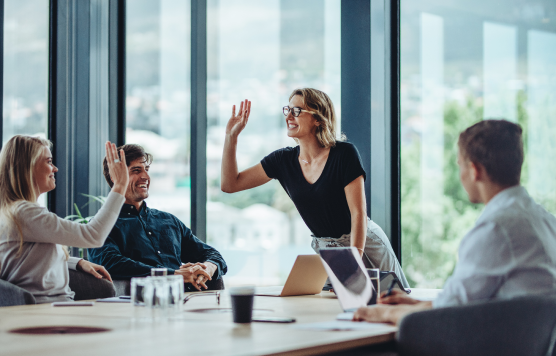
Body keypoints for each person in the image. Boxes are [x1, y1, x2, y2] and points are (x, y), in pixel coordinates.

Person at [354, 119, 556, 325]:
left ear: (474, 170)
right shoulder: (545, 220)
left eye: (460, 165)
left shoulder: (496, 228)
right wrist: (414, 304)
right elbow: (461, 302)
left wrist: (382, 314)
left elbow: (447, 314)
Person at [221, 88, 409, 287]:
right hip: (328, 250)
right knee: (334, 309)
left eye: (297, 111)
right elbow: (230, 184)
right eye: (288, 110)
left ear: (318, 119)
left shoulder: (344, 154)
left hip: (364, 244)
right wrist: (231, 138)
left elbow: (358, 213)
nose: (289, 116)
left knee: (395, 299)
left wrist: (354, 260)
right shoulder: (282, 161)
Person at [0, 136, 128, 303]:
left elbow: (26, 260)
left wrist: (76, 262)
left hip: (55, 306)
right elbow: (93, 235)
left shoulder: (13, 211)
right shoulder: (24, 212)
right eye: (49, 162)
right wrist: (119, 186)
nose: (55, 168)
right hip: (45, 309)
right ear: (27, 167)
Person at [88, 144, 227, 292]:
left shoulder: (169, 221)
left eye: (146, 170)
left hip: (187, 302)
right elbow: (110, 263)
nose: (146, 177)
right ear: (115, 177)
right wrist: (173, 274)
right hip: (138, 305)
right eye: (136, 170)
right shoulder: (102, 226)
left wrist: (208, 268)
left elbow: (211, 254)